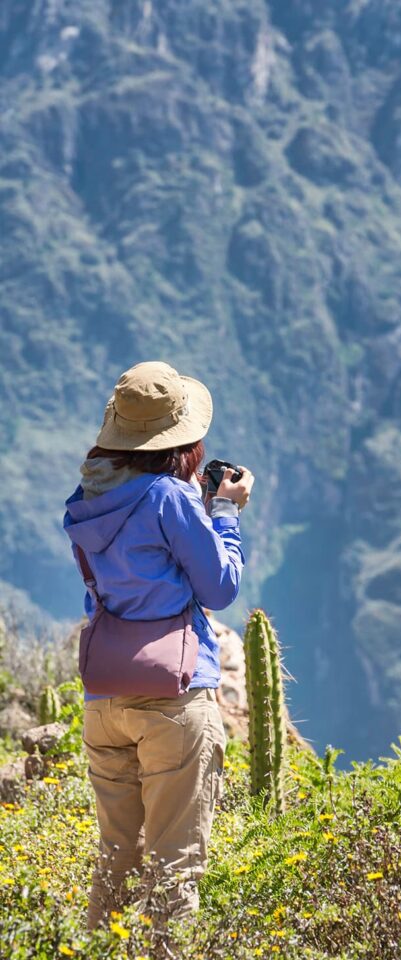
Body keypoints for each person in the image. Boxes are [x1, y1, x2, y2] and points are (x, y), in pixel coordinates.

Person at [63, 360, 254, 929]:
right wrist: (223, 511)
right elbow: (219, 587)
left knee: (115, 863)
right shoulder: (171, 497)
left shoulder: (84, 500)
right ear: (180, 439)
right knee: (176, 867)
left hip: (105, 701)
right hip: (173, 699)